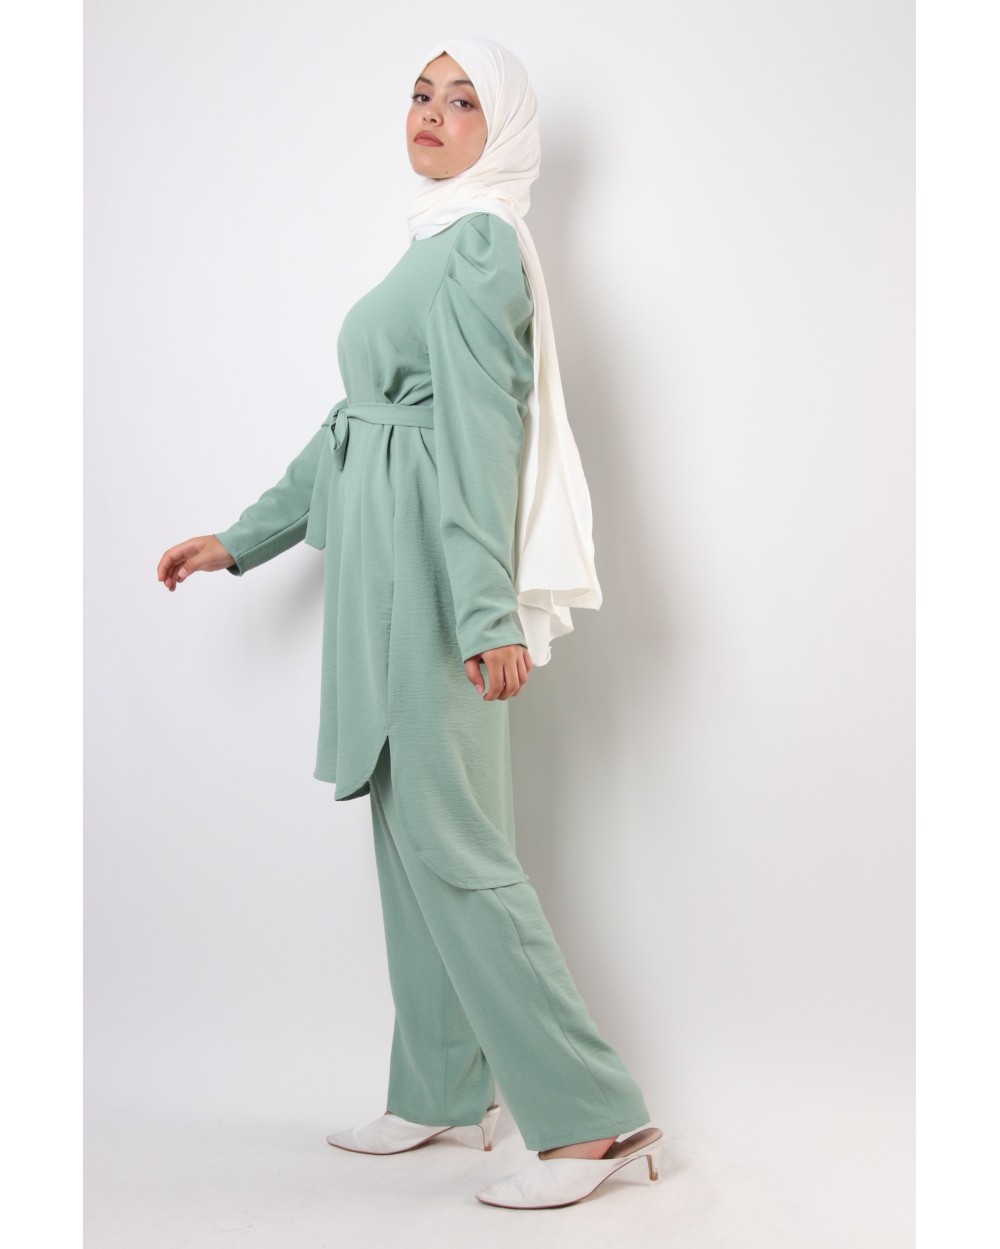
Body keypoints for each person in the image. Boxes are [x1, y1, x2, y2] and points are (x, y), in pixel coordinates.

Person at [157, 34, 661, 1211]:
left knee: (458, 846)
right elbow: (357, 422)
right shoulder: (433, 240)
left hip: (436, 585)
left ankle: (592, 1115)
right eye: (421, 93)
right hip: (381, 575)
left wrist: (488, 615)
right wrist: (244, 537)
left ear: (505, 130)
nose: (431, 113)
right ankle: (441, 1085)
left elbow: (483, 437)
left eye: (463, 99)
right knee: (405, 837)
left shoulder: (479, 246)